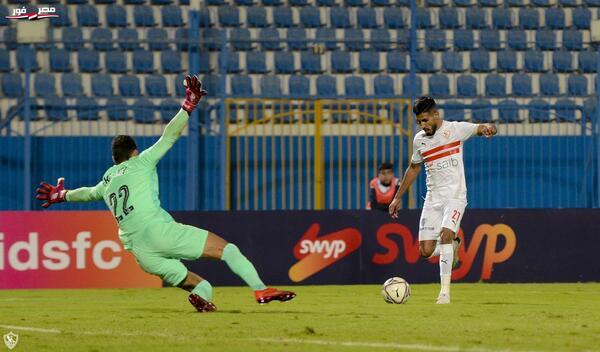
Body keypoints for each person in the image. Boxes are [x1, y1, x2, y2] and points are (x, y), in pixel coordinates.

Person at [36, 75, 295, 312]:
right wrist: (188, 105)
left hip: (140, 252)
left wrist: (63, 195)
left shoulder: (107, 180)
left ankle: (202, 299)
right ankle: (261, 290)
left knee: (198, 284)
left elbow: (89, 193)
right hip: (157, 232)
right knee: (228, 250)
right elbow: (169, 136)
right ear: (134, 152)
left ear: (115, 158)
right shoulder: (141, 162)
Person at [388, 96, 497, 304]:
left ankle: (444, 293)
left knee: (446, 235)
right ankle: (453, 246)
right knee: (425, 251)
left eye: (426, 120)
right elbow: (414, 168)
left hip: (455, 196)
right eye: (419, 121)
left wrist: (489, 128)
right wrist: (397, 197)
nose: (423, 125)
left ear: (436, 115)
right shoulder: (419, 140)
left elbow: (481, 127)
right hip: (432, 199)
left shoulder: (455, 130)